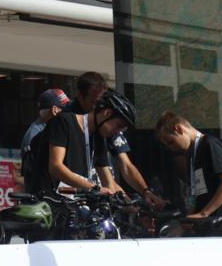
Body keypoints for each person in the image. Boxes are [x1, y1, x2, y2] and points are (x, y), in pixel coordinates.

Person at [65, 72, 163, 207]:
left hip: (102, 196)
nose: (98, 107)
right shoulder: (67, 121)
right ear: (80, 97)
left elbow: (125, 166)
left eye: (102, 102)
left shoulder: (107, 123)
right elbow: (57, 168)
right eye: (94, 102)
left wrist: (144, 192)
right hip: (76, 197)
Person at [27, 90, 137, 194]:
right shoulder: (63, 122)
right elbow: (56, 167)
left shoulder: (98, 137)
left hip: (74, 203)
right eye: (119, 125)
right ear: (107, 113)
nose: (118, 131)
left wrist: (131, 202)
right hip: (49, 200)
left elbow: (109, 183)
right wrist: (94, 189)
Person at [154, 111, 222, 225]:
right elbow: (198, 192)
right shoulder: (192, 154)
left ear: (179, 129)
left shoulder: (210, 144)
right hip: (205, 224)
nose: (171, 148)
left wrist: (204, 213)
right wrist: (189, 219)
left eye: (171, 142)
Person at [20, 88, 69, 187]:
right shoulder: (35, 135)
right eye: (65, 109)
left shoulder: (54, 130)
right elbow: (35, 175)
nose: (69, 113)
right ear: (54, 110)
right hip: (43, 193)